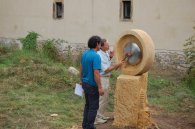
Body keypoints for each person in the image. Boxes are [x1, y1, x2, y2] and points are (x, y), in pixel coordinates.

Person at [95, 39, 125, 124]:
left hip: (106, 78)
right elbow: (106, 69)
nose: (109, 46)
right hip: (102, 78)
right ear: (101, 46)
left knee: (105, 99)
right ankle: (96, 118)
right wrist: (117, 64)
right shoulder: (99, 55)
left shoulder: (105, 53)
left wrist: (111, 57)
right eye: (107, 45)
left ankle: (101, 114)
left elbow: (107, 64)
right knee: (101, 99)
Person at [80, 35, 104, 129]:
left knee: (88, 105)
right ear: (97, 44)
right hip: (92, 85)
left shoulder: (85, 54)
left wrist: (81, 80)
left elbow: (81, 68)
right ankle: (89, 126)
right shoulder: (96, 56)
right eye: (100, 43)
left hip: (85, 83)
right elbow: (96, 72)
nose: (100, 45)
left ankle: (85, 125)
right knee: (93, 107)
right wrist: (100, 87)